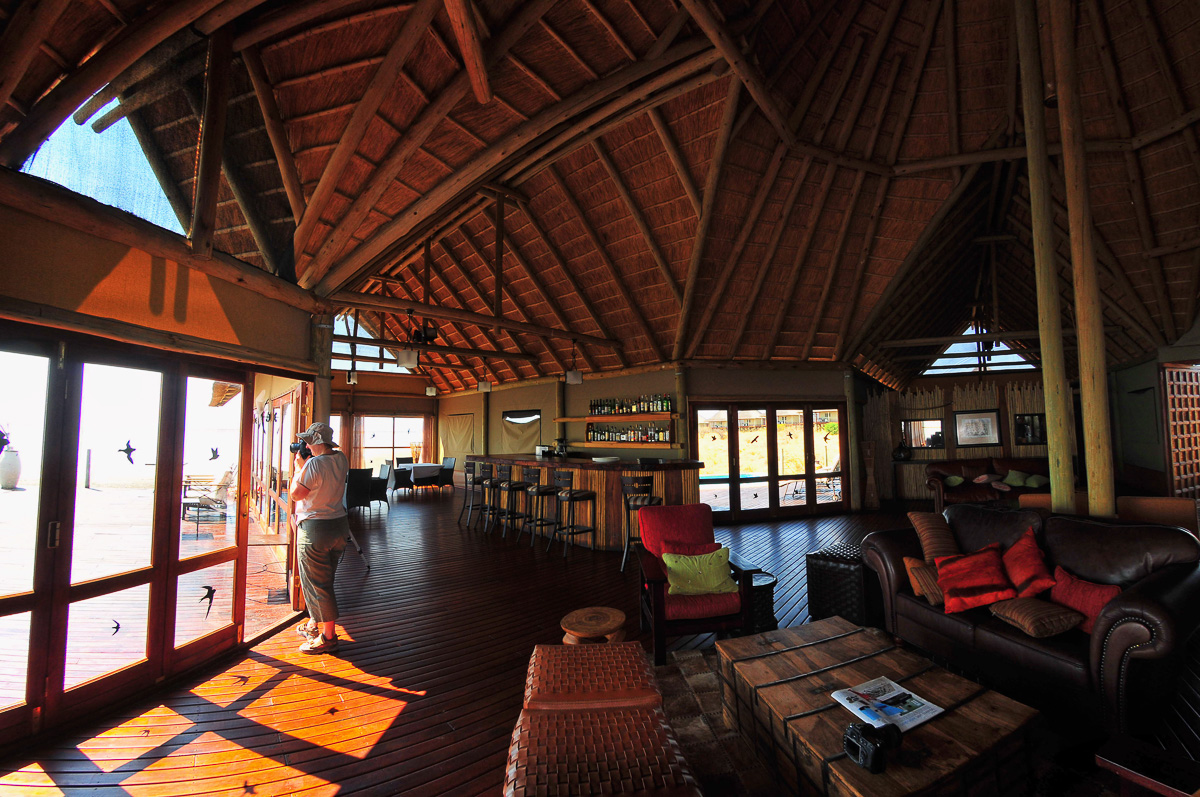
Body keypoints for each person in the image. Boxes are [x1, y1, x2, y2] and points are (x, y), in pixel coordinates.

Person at [289, 421, 350, 654]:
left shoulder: (313, 464)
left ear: (315, 442)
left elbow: (296, 494)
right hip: (338, 526)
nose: (304, 444)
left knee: (317, 583)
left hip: (316, 529)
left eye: (307, 440)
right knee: (326, 578)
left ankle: (328, 636)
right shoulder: (341, 458)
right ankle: (316, 623)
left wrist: (298, 468)